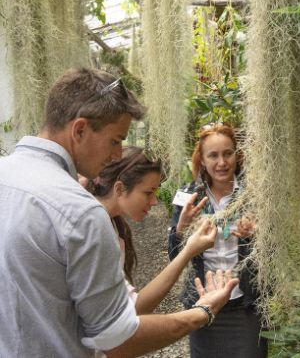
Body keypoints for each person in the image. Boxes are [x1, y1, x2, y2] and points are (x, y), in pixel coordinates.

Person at [0, 68, 239, 358]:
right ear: (80, 130)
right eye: (115, 140)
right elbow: (116, 339)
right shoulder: (79, 212)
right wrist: (202, 312)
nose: (117, 155)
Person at [168, 123, 268, 358]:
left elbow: (275, 249)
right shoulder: (189, 197)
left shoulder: (256, 194)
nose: (222, 163)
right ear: (202, 160)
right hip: (203, 303)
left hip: (245, 305)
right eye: (213, 155)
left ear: (236, 154)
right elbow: (175, 256)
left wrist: (257, 235)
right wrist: (181, 229)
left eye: (227, 153)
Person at [87, 146, 219, 315]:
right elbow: (131, 309)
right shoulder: (94, 229)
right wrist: (188, 251)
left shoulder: (110, 223)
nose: (155, 201)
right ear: (119, 188)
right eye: (148, 193)